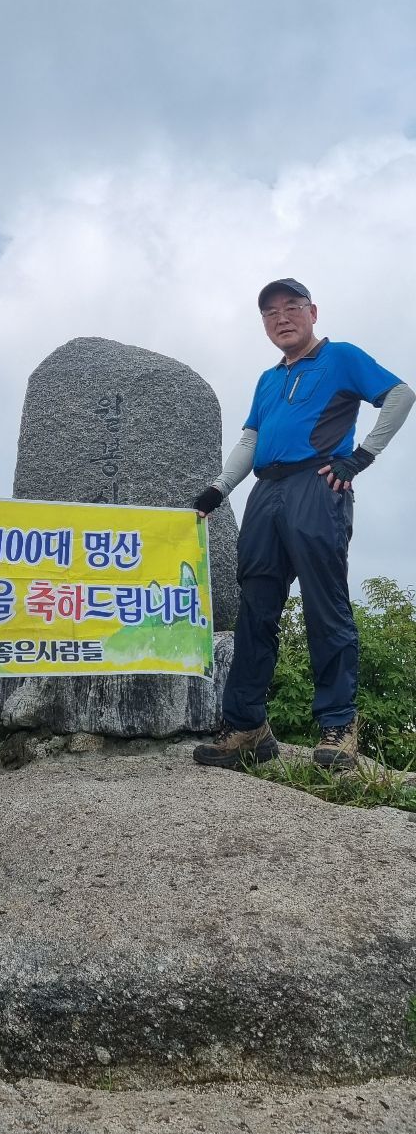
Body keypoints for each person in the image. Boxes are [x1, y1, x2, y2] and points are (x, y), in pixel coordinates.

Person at [191, 280, 414, 773]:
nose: (282, 318)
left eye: (292, 307)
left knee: (324, 605)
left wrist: (361, 457)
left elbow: (401, 394)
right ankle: (246, 726)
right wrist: (219, 489)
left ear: (312, 312)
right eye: (270, 312)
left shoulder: (341, 357)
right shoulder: (268, 379)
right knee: (256, 609)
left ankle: (338, 726)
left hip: (317, 485)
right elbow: (251, 438)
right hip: (265, 492)